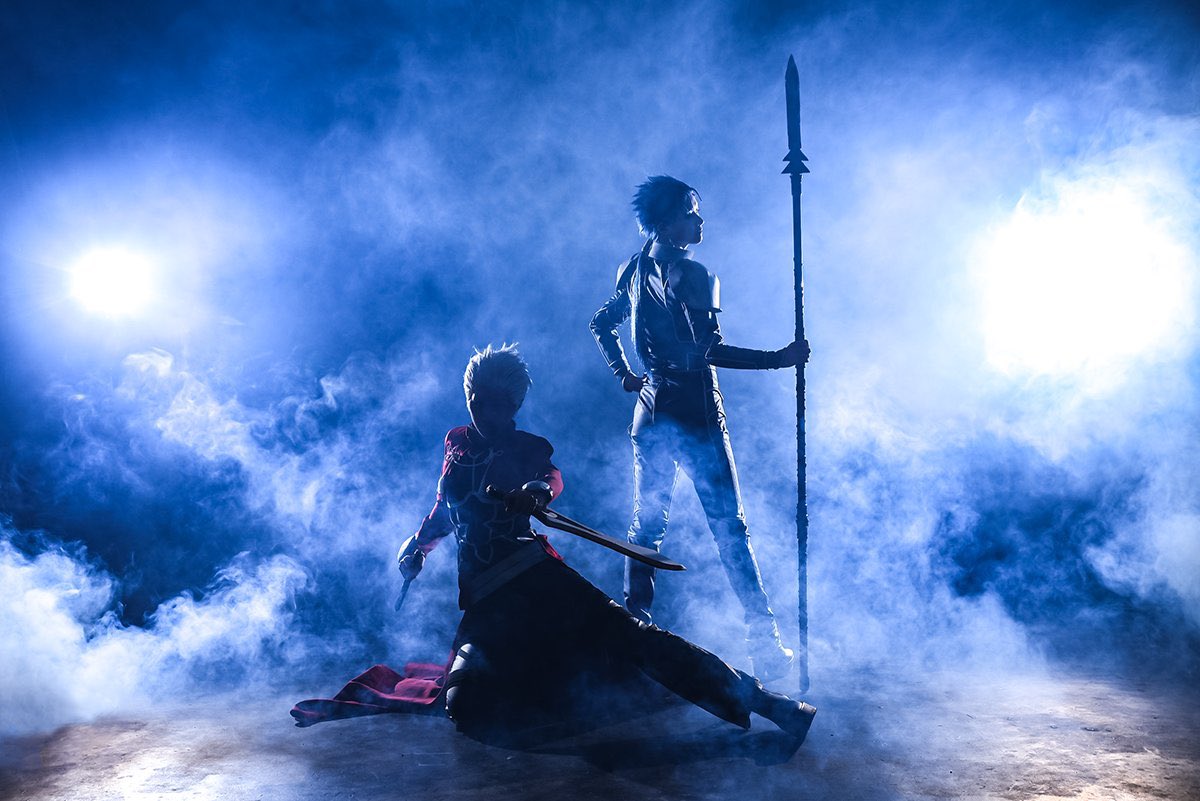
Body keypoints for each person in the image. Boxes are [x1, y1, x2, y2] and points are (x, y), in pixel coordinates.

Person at [309, 343, 816, 743]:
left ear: (514, 405)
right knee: (464, 705)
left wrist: (537, 492)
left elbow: (550, 476)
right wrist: (418, 547)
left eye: (502, 403)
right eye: (480, 399)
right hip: (487, 606)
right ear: (470, 397)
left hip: (538, 582)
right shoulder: (456, 444)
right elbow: (446, 507)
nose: (490, 411)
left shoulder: (527, 448)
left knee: (637, 639)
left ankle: (769, 703)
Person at [590, 176, 808, 680]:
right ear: (667, 222)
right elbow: (710, 351)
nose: (700, 220)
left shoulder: (632, 267)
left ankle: (635, 632)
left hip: (650, 411)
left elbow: (602, 324)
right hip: (694, 413)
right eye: (690, 212)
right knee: (730, 529)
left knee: (647, 525)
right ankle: (765, 646)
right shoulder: (692, 274)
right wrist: (779, 359)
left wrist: (626, 375)